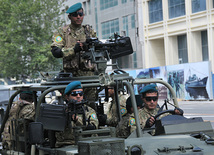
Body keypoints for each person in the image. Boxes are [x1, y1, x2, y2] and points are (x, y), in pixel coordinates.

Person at [51, 2, 97, 76]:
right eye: (75, 15)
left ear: (83, 15)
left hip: (89, 76)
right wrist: (73, 50)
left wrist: (88, 46)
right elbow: (56, 52)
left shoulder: (89, 31)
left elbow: (98, 48)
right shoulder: (62, 32)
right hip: (71, 77)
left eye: (80, 14)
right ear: (69, 17)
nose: (78, 17)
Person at [55, 81, 98, 147]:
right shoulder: (60, 111)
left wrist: (77, 120)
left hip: (86, 143)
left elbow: (93, 126)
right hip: (66, 144)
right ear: (67, 96)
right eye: (74, 94)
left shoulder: (88, 110)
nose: (78, 96)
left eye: (80, 94)